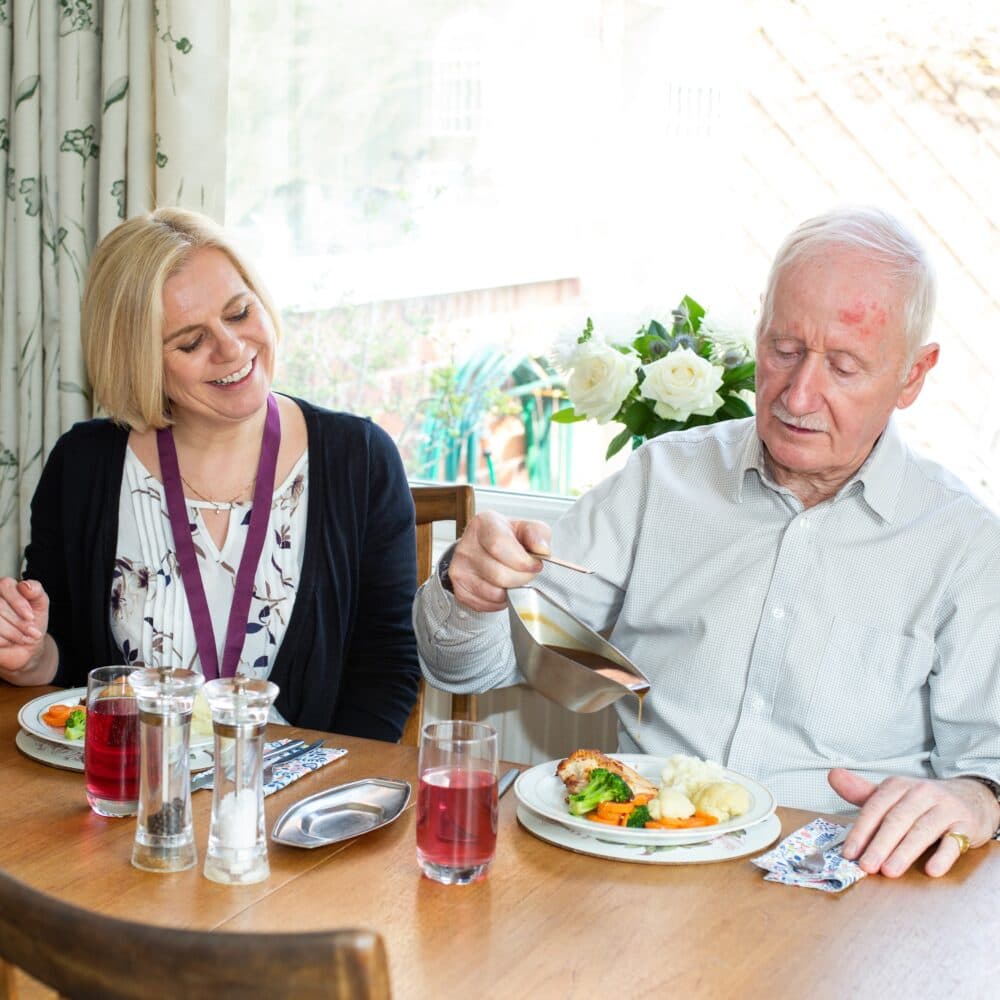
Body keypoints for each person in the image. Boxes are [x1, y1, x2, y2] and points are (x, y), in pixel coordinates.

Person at [414, 205, 1000, 876]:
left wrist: (977, 799)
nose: (798, 395)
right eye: (783, 350)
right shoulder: (663, 480)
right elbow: (467, 670)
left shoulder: (965, 545)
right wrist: (467, 592)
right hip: (635, 869)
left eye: (843, 367)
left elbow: (989, 770)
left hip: (844, 894)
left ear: (913, 375)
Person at [0, 208, 420, 741]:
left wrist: (318, 795)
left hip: (298, 807)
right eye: (191, 342)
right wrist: (30, 655)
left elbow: (388, 668)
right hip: (136, 801)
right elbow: (68, 665)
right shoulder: (82, 466)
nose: (232, 348)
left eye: (240, 312)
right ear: (139, 362)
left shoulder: (360, 459)